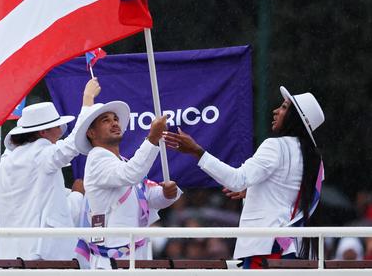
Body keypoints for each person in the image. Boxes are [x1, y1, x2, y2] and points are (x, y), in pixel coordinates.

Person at [165, 86, 325, 268]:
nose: (276, 111)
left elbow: (237, 180)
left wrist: (197, 151)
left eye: (283, 107)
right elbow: (288, 196)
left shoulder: (276, 146)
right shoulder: (315, 159)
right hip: (297, 249)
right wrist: (253, 192)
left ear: (296, 118)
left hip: (267, 246)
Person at [72, 80, 180, 268]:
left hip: (134, 257)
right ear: (91, 133)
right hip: (112, 261)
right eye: (106, 120)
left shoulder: (122, 162)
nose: (114, 123)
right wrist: (152, 138)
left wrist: (167, 194)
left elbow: (147, 199)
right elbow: (132, 175)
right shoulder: (97, 159)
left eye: (115, 119)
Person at [0, 81, 94, 261]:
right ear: (42, 133)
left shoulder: (6, 163)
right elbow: (72, 145)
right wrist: (87, 101)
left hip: (9, 253)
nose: (61, 130)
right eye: (57, 126)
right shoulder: (41, 155)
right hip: (38, 255)